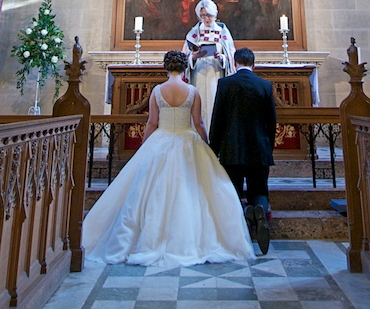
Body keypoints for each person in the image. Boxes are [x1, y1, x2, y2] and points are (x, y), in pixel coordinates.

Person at [82, 51, 254, 268]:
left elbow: (152, 122)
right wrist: (207, 144)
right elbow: (198, 123)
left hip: (161, 140)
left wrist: (145, 146)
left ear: (166, 67)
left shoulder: (157, 91)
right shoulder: (192, 91)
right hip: (187, 141)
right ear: (184, 68)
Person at [209, 48, 277, 255]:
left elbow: (218, 119)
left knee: (234, 192)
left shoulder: (225, 84)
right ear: (254, 64)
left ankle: (240, 227)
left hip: (232, 149)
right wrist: (268, 147)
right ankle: (260, 211)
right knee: (259, 190)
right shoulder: (265, 85)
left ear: (234, 62)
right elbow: (271, 122)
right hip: (259, 148)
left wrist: (214, 148)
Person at [183, 0, 235, 126]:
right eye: (203, 16)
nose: (206, 19)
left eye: (209, 15)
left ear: (215, 14)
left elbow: (231, 55)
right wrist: (193, 58)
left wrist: (221, 58)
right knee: (199, 106)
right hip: (198, 74)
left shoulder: (223, 32)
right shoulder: (193, 34)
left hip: (215, 74)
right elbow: (184, 57)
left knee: (214, 104)